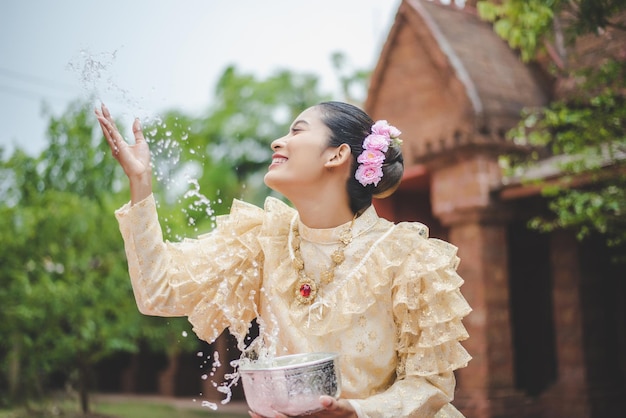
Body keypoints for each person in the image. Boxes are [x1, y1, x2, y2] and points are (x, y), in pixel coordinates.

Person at [95, 101, 472, 418]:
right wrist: (140, 183)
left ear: (337, 154)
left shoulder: (408, 256)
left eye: (297, 131)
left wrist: (357, 412)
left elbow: (430, 386)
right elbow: (159, 293)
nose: (279, 141)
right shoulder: (261, 240)